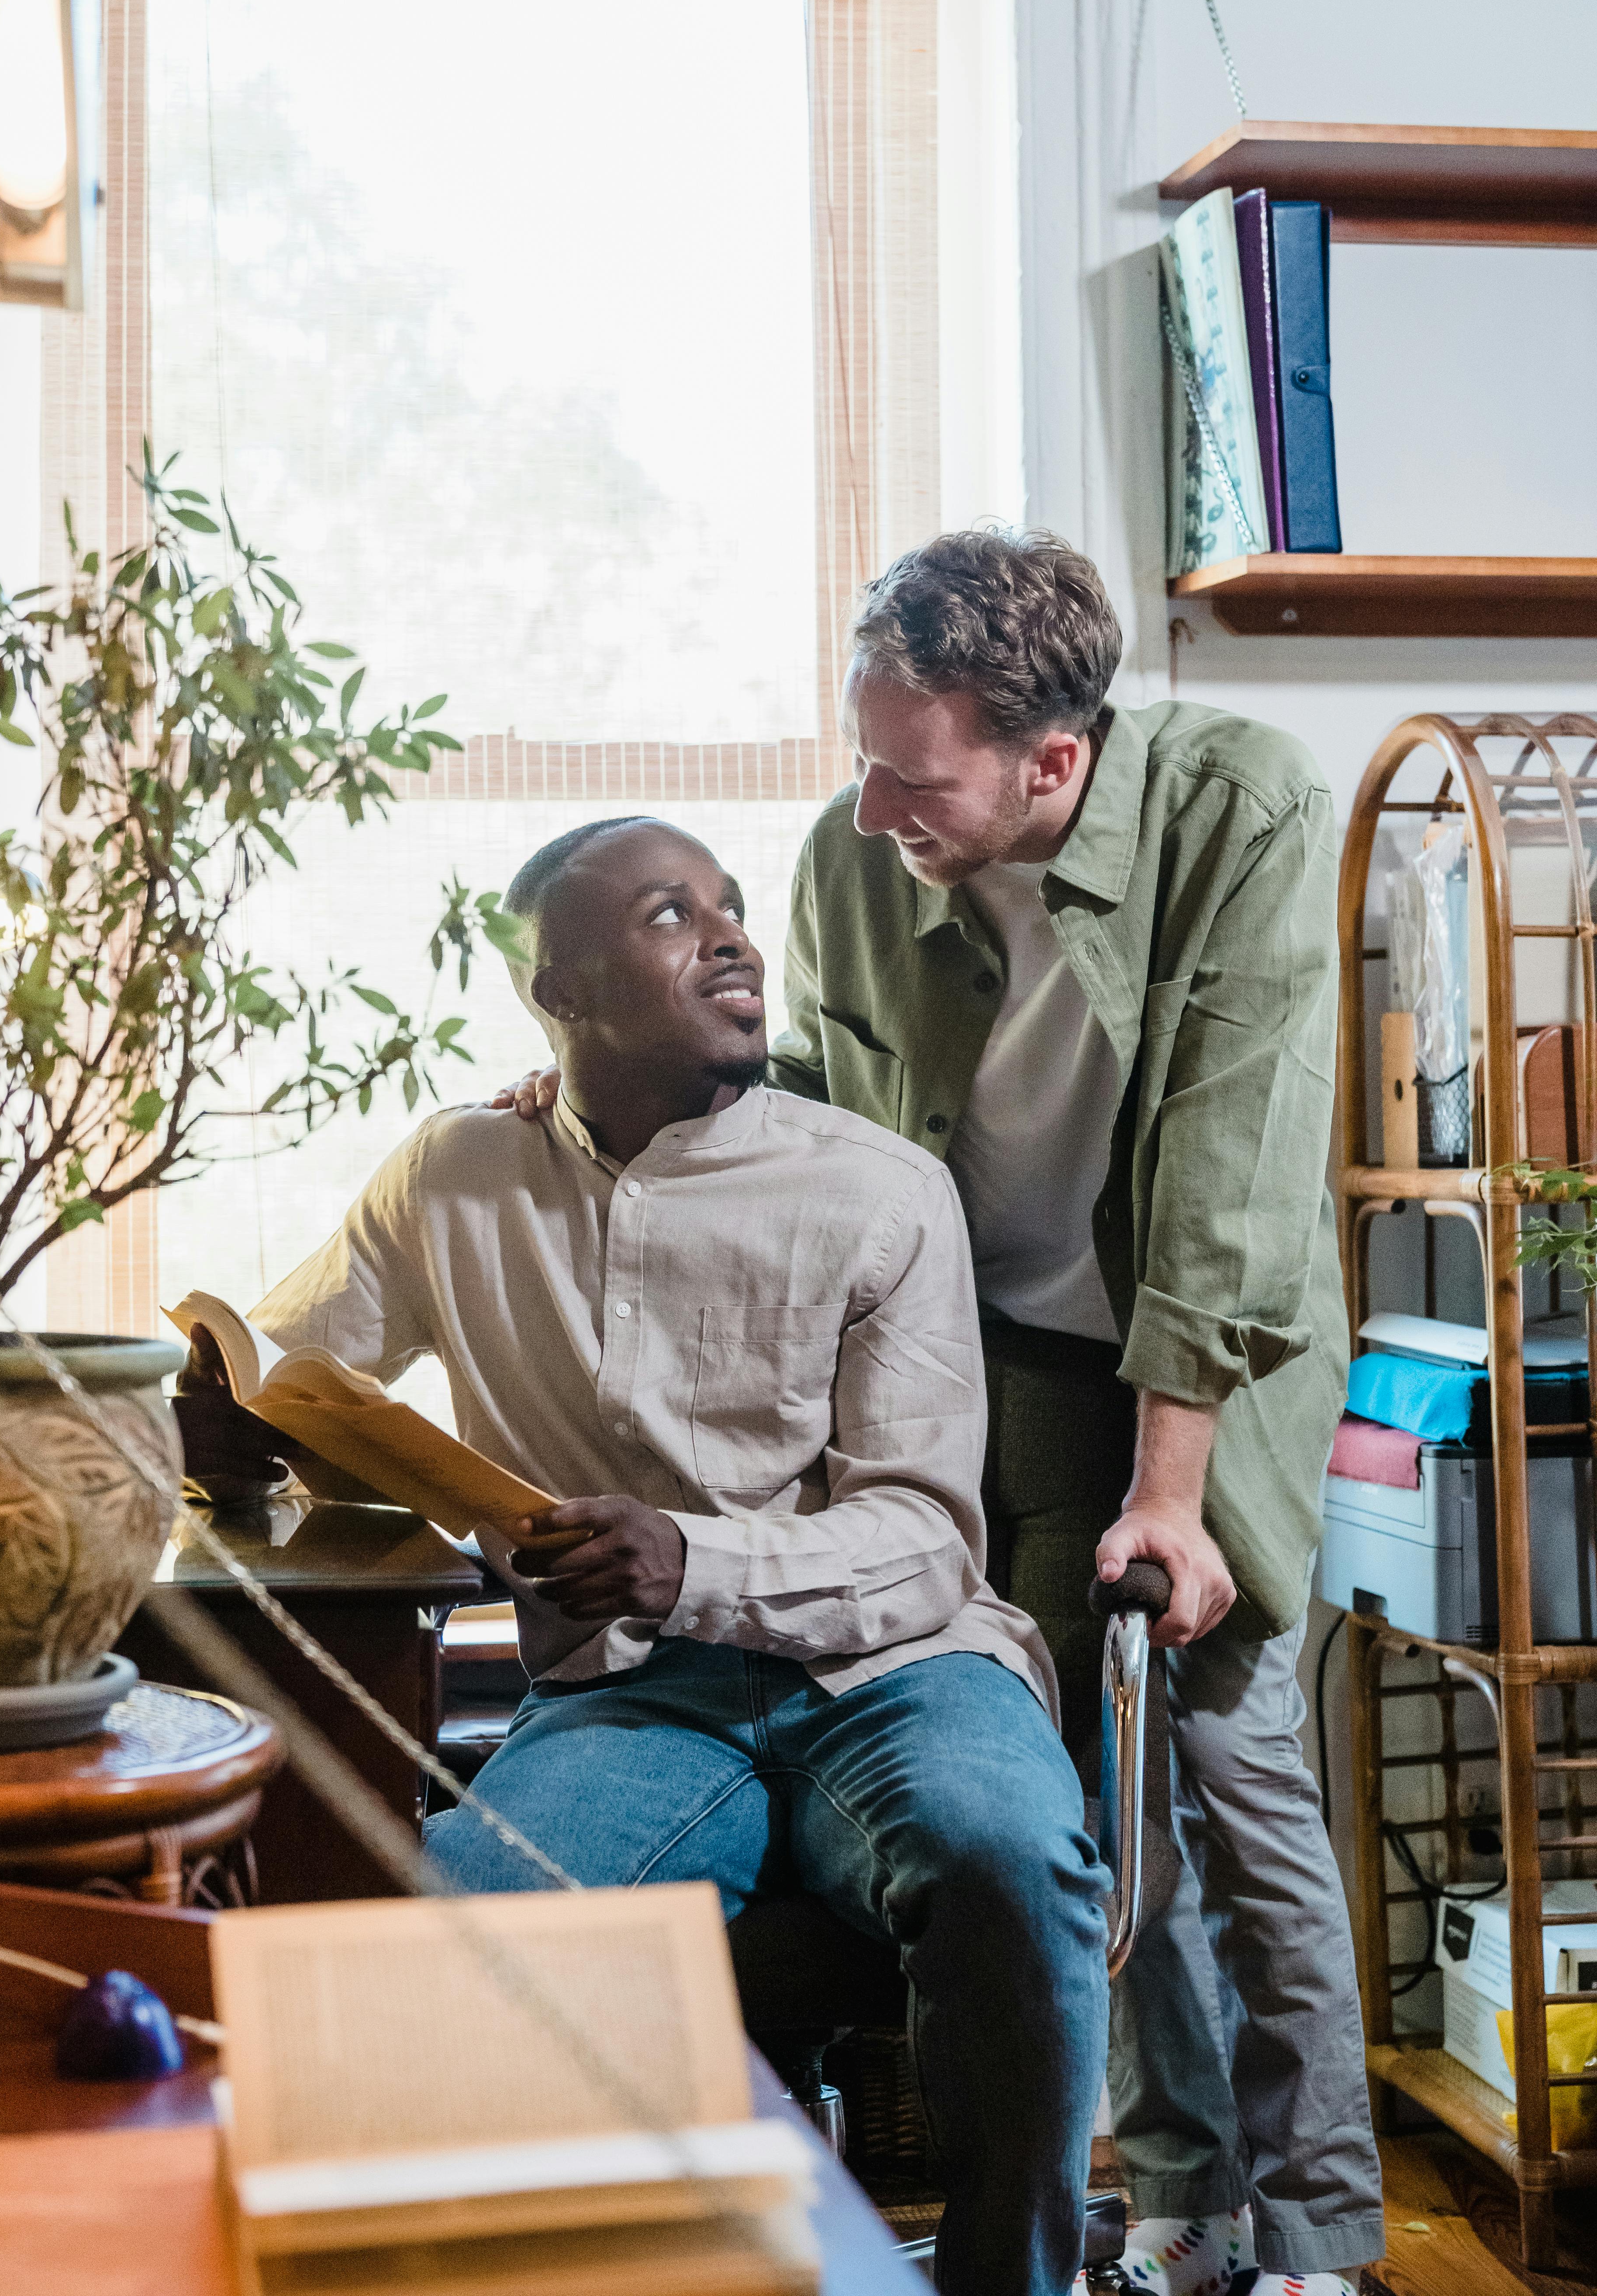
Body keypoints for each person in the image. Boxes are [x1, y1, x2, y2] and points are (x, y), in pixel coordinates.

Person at [500, 530, 1382, 2296]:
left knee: (1219, 1749)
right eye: (861, 757)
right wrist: (614, 1083)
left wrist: (1173, 1494)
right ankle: (1182, 2212)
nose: (870, 804)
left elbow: (1234, 1165)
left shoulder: (1243, 808)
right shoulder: (856, 853)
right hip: (996, 1355)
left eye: (915, 773)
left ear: (1051, 761)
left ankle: (1318, 2236)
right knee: (1070, 1788)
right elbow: (818, 1109)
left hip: (1199, 1347)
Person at [179, 814, 1111, 2296]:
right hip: (627, 1697)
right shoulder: (452, 1175)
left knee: (1005, 1860)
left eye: (732, 908)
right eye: (673, 916)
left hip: (904, 1673)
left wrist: (690, 1562)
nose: (734, 937)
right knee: (463, 1936)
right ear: (558, 986)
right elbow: (303, 1374)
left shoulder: (877, 1189)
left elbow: (927, 1537)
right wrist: (234, 1429)